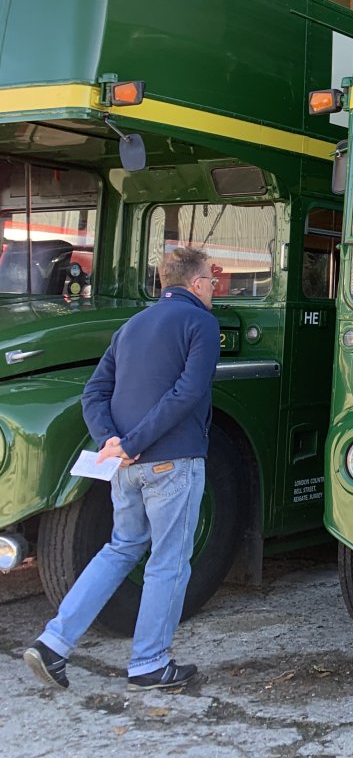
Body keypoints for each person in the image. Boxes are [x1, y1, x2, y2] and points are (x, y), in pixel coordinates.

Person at [24, 246, 221, 693]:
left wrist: (111, 441)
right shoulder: (201, 324)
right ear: (194, 284)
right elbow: (188, 393)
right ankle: (149, 663)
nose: (215, 287)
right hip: (173, 461)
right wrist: (131, 443)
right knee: (168, 562)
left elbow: (94, 392)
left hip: (123, 468)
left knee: (120, 548)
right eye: (211, 279)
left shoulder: (132, 326)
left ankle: (53, 642)